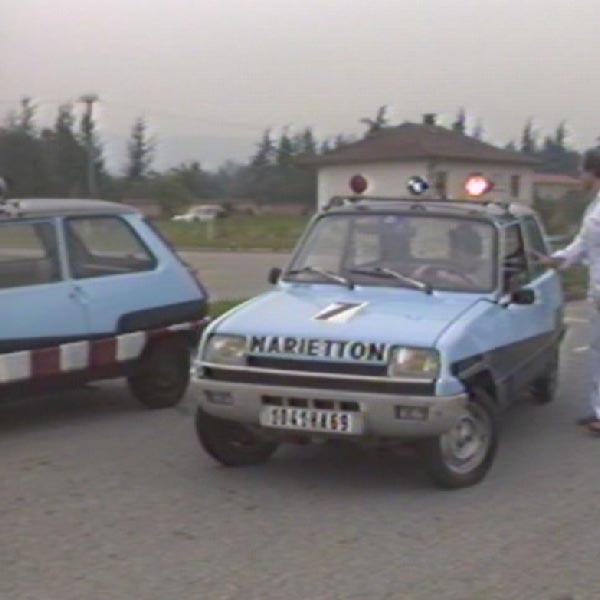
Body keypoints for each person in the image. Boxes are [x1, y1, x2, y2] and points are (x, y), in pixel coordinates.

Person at [541, 148, 600, 433]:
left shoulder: (597, 212)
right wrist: (557, 261)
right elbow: (582, 246)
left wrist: (560, 260)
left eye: (582, 171)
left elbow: (583, 245)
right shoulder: (595, 207)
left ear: (593, 173)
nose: (579, 177)